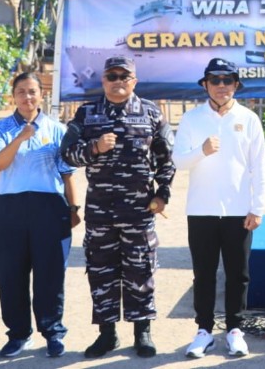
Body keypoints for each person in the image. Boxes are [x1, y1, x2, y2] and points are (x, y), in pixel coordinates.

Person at [60, 56, 176, 359]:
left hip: (138, 211)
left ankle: (142, 332)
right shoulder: (86, 114)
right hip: (101, 212)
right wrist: (94, 148)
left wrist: (163, 193)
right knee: (102, 272)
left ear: (134, 81)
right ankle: (107, 334)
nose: (118, 81)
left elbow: (166, 159)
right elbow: (67, 154)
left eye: (124, 76)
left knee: (141, 270)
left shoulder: (151, 112)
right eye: (112, 76)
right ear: (103, 81)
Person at [174, 58, 265, 359]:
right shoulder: (191, 119)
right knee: (203, 273)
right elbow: (178, 162)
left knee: (238, 273)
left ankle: (234, 330)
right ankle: (204, 330)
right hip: (201, 209)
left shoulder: (249, 118)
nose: (222, 86)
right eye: (215, 80)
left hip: (239, 210)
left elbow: (259, 168)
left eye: (228, 80)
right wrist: (201, 151)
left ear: (236, 85)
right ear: (205, 85)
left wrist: (257, 207)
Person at [0, 72, 81, 358]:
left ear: (42, 95)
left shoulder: (56, 129)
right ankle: (18, 334)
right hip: (10, 209)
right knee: (10, 275)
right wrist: (20, 138)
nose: (27, 98)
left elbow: (67, 174)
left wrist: (74, 208)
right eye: (21, 92)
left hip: (49, 209)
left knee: (50, 276)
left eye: (32, 92)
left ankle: (53, 332)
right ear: (13, 96)